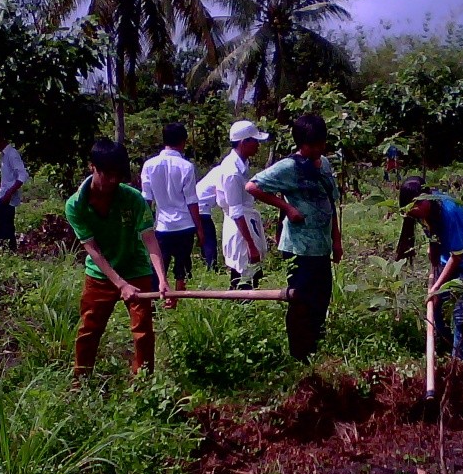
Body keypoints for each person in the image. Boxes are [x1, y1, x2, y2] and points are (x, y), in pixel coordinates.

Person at [64, 139, 170, 381]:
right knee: (89, 329)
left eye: (118, 176)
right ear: (93, 167)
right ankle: (81, 381)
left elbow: (150, 239)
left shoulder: (132, 198)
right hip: (100, 274)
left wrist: (161, 280)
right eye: (107, 174)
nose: (113, 181)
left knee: (142, 331)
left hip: (135, 269)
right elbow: (92, 249)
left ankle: (144, 384)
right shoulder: (75, 205)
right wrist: (119, 284)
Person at [246, 114, 343, 361]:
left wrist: (336, 240)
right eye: (315, 145)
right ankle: (299, 354)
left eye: (322, 143)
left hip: (321, 247)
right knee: (300, 301)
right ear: (303, 144)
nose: (320, 149)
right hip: (299, 248)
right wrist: (287, 208)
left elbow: (330, 203)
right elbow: (253, 186)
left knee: (322, 298)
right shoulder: (289, 167)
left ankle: (315, 348)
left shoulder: (326, 165)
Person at [396, 176, 463, 376]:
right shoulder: (422, 210)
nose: (414, 212)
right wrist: (433, 255)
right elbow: (435, 236)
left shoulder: (449, 210)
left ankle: (459, 364)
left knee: (459, 311)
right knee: (436, 307)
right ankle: (445, 345)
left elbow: (458, 256)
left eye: (417, 206)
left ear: (425, 199)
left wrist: (437, 287)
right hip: (450, 255)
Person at [199, 120, 270, 289]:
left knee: (252, 272)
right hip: (240, 227)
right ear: (244, 143)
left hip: (246, 222)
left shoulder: (242, 165)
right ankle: (242, 306)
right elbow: (236, 211)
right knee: (243, 271)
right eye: (255, 141)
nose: (258, 145)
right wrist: (250, 244)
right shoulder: (232, 172)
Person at [141, 123, 204, 307]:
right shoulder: (186, 167)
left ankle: (153, 301)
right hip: (184, 224)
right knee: (181, 265)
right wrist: (200, 228)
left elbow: (147, 200)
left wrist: (145, 226)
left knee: (159, 265)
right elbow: (192, 201)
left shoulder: (149, 165)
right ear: (183, 142)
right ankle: (174, 300)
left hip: (162, 225)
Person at [0, 126, 29, 251]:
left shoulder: (12, 154)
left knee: (4, 227)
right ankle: (3, 250)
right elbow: (7, 177)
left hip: (8, 198)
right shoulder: (3, 156)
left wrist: (9, 193)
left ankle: (9, 251)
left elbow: (22, 175)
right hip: (2, 195)